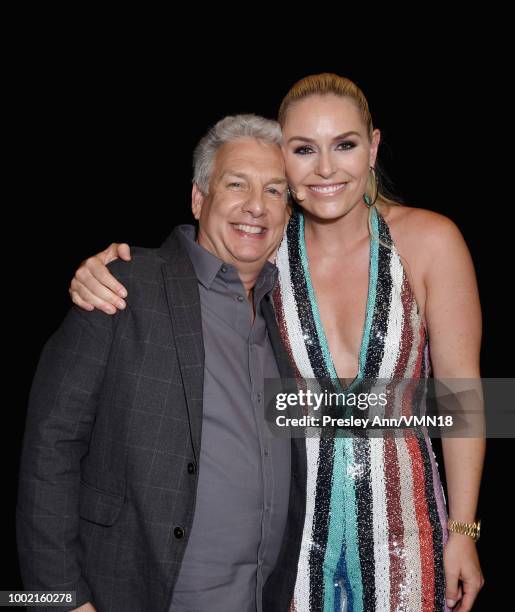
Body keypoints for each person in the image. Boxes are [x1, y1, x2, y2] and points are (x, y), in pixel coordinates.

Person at [68, 74, 485, 611]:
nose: (327, 168)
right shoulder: (261, 250)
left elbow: (466, 399)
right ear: (281, 157)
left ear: (374, 146)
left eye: (346, 145)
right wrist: (97, 269)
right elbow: (175, 275)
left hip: (409, 537)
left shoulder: (432, 241)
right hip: (291, 543)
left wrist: (465, 532)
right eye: (304, 149)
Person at [17, 115, 305, 612]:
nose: (256, 206)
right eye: (237, 184)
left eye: (275, 191)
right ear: (199, 198)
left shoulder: (289, 318)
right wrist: (56, 601)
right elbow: (50, 446)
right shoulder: (124, 283)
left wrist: (465, 528)